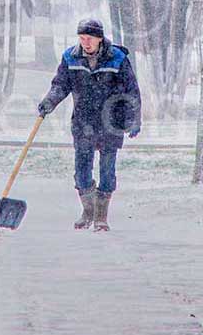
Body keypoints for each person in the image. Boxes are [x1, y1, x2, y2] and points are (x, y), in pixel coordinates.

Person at [38, 18, 141, 231]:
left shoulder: (117, 58)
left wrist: (133, 119)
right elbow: (60, 85)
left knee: (107, 172)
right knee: (82, 173)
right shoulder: (71, 57)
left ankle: (101, 217)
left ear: (99, 38)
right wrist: (49, 101)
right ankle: (88, 211)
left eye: (89, 38)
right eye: (82, 38)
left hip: (111, 123)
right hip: (83, 123)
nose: (85, 43)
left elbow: (131, 90)